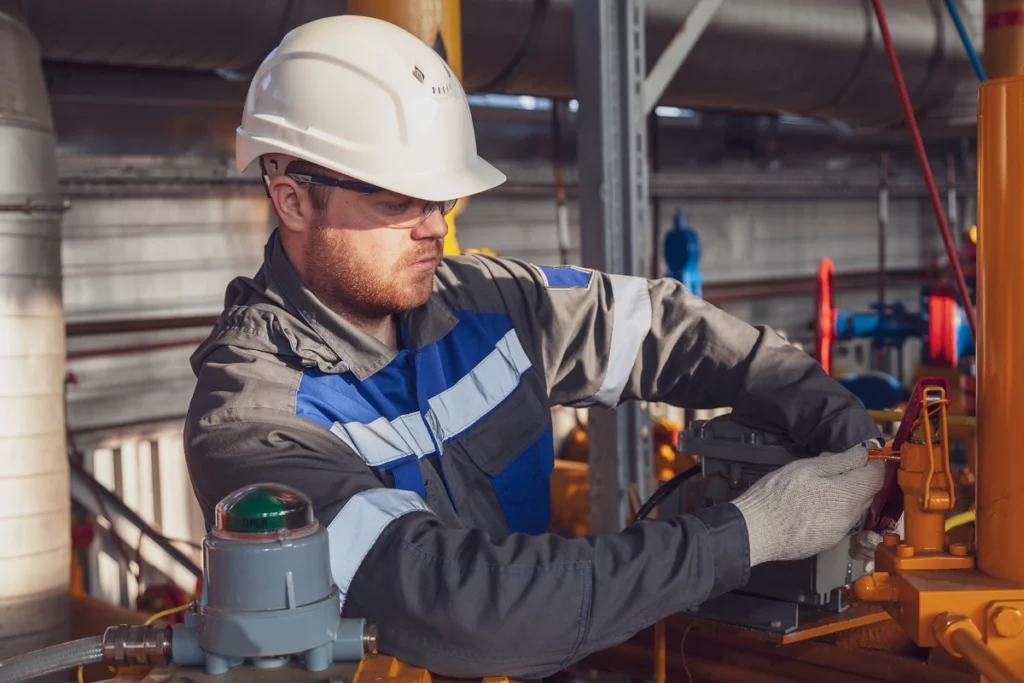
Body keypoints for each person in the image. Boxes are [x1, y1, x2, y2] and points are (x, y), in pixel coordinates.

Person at [184, 14, 884, 680]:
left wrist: (842, 430)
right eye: (400, 201)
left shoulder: (485, 302)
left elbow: (662, 327)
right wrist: (749, 532)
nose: (434, 227)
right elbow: (462, 606)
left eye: (443, 199)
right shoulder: (256, 422)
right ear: (294, 200)